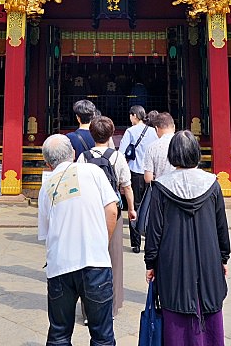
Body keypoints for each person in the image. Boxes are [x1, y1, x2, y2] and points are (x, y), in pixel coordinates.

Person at [145, 130, 230, 345]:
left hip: (172, 260)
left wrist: (151, 262)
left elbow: (154, 230)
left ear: (173, 154)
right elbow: (221, 226)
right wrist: (223, 257)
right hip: (208, 257)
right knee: (208, 306)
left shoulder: (161, 187)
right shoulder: (212, 184)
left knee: (175, 313)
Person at [38, 133, 118, 346]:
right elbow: (112, 210)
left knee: (59, 334)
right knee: (102, 334)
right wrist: (103, 243)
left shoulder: (45, 188)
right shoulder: (93, 171)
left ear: (47, 163)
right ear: (73, 153)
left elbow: (46, 232)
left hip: (59, 266)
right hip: (95, 262)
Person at [79, 115, 135, 318]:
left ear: (91, 134)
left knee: (88, 260)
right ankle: (110, 307)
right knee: (113, 259)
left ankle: (88, 311)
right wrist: (131, 208)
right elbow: (126, 186)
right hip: (113, 211)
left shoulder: (83, 157)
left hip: (89, 213)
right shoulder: (117, 157)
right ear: (111, 134)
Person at [117, 105, 151, 253]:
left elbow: (121, 152)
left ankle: (136, 243)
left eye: (131, 115)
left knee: (134, 207)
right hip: (150, 173)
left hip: (135, 173)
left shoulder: (130, 131)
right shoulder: (153, 131)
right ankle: (150, 241)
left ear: (135, 116)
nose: (130, 118)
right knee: (150, 207)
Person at [141, 112, 176, 185]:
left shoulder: (152, 147)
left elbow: (148, 178)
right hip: (181, 191)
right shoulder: (183, 143)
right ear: (174, 127)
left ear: (156, 128)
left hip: (161, 190)